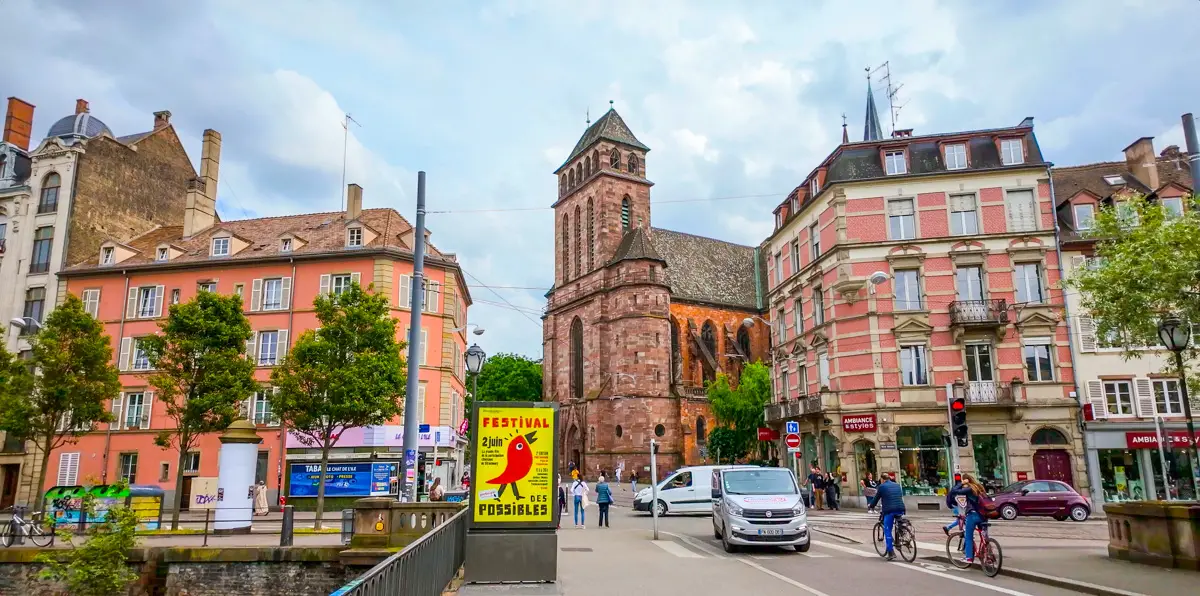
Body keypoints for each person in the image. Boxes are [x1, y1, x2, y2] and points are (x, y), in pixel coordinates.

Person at [949, 474, 988, 564]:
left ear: (966, 480)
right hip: (984, 515)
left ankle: (969, 558)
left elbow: (954, 491)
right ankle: (988, 554)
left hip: (973, 515)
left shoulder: (969, 489)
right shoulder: (979, 487)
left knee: (968, 537)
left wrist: (960, 483)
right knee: (985, 536)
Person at [867, 473, 906, 561]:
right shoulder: (897, 485)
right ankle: (902, 535)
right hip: (900, 508)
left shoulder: (881, 487)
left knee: (887, 529)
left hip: (889, 510)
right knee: (898, 522)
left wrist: (871, 506)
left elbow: (876, 498)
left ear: (882, 479)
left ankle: (891, 552)